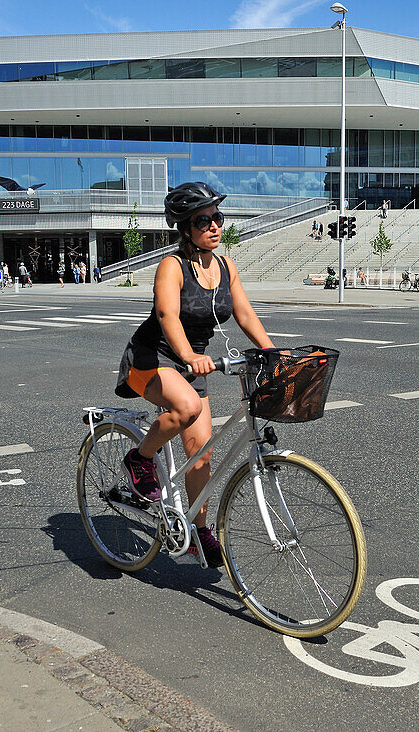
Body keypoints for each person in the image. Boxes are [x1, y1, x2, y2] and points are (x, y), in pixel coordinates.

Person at [114, 182, 275, 567]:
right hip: (153, 357)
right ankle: (139, 459)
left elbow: (245, 313)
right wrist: (188, 355)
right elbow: (168, 315)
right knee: (185, 406)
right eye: (204, 220)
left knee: (201, 454)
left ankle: (197, 531)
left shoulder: (224, 264)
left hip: (193, 361)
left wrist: (271, 352)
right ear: (185, 228)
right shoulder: (172, 266)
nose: (214, 226)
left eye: (217, 217)